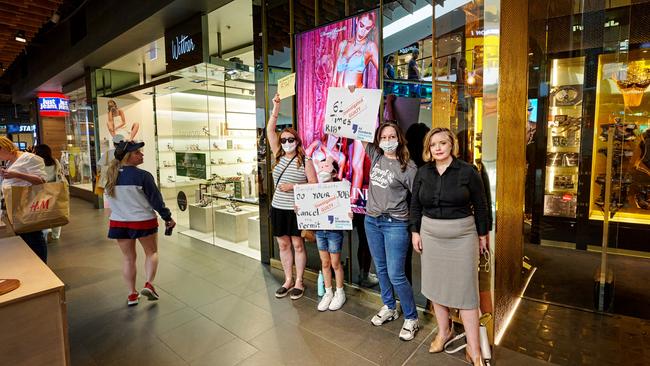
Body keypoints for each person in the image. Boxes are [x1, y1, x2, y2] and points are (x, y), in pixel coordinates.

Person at [409, 127, 489, 366]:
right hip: (431, 235)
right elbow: (415, 205)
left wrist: (483, 234)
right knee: (435, 287)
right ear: (428, 149)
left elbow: (481, 204)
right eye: (433, 145)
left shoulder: (468, 172)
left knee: (466, 293)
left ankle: (474, 349)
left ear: (451, 145)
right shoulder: (423, 173)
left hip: (462, 236)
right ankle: (445, 331)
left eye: (443, 143)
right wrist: (415, 231)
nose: (438, 148)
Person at [362, 121, 419, 341]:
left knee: (396, 274)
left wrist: (416, 228)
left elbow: (417, 200)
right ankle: (389, 306)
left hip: (395, 223)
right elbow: (358, 128)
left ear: (399, 138)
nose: (387, 141)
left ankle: (411, 317)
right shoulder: (376, 156)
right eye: (383, 137)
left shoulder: (408, 167)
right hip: (372, 221)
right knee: (381, 268)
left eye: (391, 136)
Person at [104, 140, 176, 306]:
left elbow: (110, 200)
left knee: (128, 259)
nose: (141, 154)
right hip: (143, 221)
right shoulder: (143, 176)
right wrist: (168, 218)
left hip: (119, 223)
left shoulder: (109, 176)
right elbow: (157, 202)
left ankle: (132, 294)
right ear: (128, 157)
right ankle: (149, 284)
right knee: (151, 253)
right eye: (137, 153)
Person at [267, 93, 317, 300]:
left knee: (298, 244)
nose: (287, 142)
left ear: (297, 141)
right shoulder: (277, 154)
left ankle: (299, 282)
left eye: (291, 139)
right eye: (284, 139)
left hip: (297, 209)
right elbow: (270, 129)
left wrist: (295, 186)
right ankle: (287, 280)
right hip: (278, 208)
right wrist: (276, 107)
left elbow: (314, 185)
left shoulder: (305, 160)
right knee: (283, 244)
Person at [0, 137, 48, 262]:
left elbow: (41, 181)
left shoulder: (29, 158)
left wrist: (15, 174)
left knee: (34, 237)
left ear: (4, 148)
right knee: (24, 237)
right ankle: (33, 263)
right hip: (16, 205)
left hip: (28, 204)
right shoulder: (11, 161)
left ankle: (41, 266)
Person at [309, 158, 347, 311]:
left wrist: (348, 214)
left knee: (335, 263)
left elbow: (345, 208)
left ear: (334, 172)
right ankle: (328, 292)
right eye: (321, 168)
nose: (324, 171)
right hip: (320, 231)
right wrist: (300, 210)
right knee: (325, 263)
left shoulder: (340, 188)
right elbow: (309, 206)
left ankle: (340, 292)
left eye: (327, 168)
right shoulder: (314, 189)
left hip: (334, 231)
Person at [32, 144, 64, 242]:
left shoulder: (36, 163)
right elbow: (59, 174)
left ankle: (45, 230)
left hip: (41, 190)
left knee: (43, 211)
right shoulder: (55, 161)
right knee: (55, 212)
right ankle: (56, 234)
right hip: (54, 189)